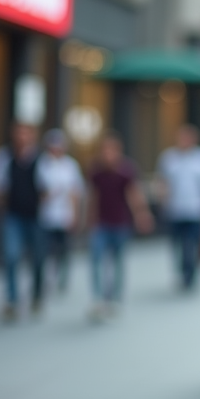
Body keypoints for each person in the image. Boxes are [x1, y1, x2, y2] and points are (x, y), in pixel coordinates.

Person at [87, 132, 153, 320]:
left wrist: (142, 214)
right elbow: (93, 196)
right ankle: (98, 298)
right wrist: (88, 219)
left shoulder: (126, 170)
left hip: (120, 223)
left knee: (117, 262)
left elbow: (134, 194)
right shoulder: (96, 171)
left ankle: (115, 297)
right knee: (97, 260)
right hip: (101, 223)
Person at [0, 123, 45, 320]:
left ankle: (37, 295)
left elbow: (47, 188)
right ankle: (12, 300)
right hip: (13, 216)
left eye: (26, 134)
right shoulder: (4, 157)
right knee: (11, 256)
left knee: (38, 258)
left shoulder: (42, 159)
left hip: (36, 217)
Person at [156, 124, 200, 291]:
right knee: (177, 244)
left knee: (192, 243)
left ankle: (191, 273)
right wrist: (163, 201)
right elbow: (163, 182)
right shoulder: (169, 158)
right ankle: (183, 271)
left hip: (197, 210)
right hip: (175, 209)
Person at [36, 129, 85, 294]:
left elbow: (75, 192)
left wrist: (75, 215)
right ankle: (45, 279)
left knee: (64, 250)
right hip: (45, 216)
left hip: (64, 215)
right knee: (44, 250)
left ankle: (62, 279)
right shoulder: (42, 164)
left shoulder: (70, 165)